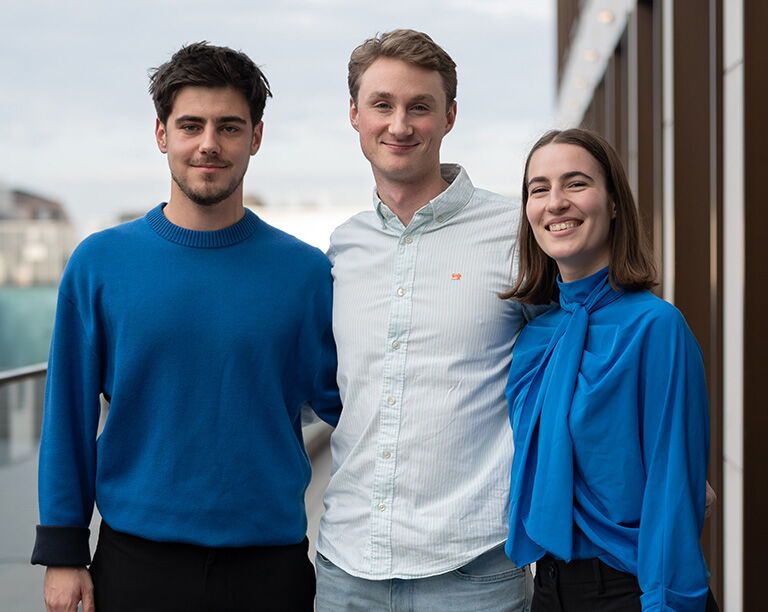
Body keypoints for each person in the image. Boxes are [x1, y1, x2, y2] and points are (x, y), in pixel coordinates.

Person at [31, 42, 340, 612]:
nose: (209, 144)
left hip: (269, 568)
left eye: (229, 127)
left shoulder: (306, 274)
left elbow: (352, 410)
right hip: (135, 565)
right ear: (161, 134)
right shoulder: (100, 264)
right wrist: (64, 551)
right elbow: (67, 414)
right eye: (191, 125)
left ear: (256, 137)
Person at [315, 29, 533, 611]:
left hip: (475, 567)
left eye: (420, 106)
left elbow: (588, 352)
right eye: (382, 105)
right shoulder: (343, 249)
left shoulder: (517, 233)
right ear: (355, 115)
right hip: (345, 569)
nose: (400, 125)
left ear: (450, 116)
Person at [503, 128, 713, 611]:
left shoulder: (656, 327)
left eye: (576, 184)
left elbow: (673, 486)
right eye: (539, 189)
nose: (555, 202)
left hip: (632, 589)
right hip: (547, 588)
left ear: (614, 203)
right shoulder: (535, 335)